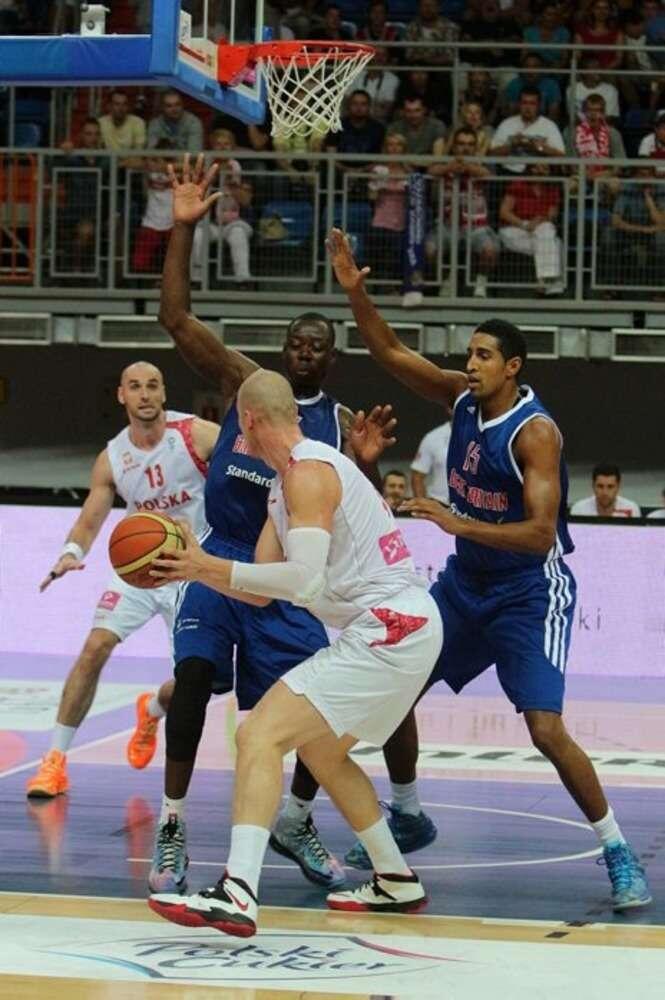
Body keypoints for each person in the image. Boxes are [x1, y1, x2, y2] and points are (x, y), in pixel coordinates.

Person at [327, 228, 651, 912]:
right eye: (469, 353)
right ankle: (408, 813)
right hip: (464, 585)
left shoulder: (535, 433)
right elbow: (390, 353)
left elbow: (538, 535)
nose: (469, 364)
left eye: (482, 356)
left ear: (513, 367)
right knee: (395, 687)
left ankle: (617, 850)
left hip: (528, 590)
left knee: (544, 729)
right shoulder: (461, 400)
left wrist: (456, 522)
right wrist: (356, 294)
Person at [145, 154, 437, 896]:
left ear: (332, 359)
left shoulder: (329, 433)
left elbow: (343, 520)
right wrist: (183, 227)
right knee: (194, 676)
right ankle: (174, 824)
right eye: (296, 342)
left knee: (296, 721)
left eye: (318, 345)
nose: (305, 351)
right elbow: (175, 319)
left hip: (293, 580)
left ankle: (289, 828)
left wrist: (366, 462)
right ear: (280, 353)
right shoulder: (250, 386)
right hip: (231, 555)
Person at [148, 369, 443, 936]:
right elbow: (262, 592)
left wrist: (205, 563)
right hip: (400, 630)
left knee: (258, 735)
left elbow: (305, 581)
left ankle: (237, 890)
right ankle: (395, 877)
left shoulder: (309, 473)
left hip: (390, 627)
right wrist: (194, 568)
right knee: (322, 752)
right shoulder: (281, 489)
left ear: (248, 421)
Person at [25, 363, 219, 798]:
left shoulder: (197, 435)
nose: (144, 394)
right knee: (95, 646)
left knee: (197, 680)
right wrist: (71, 553)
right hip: (139, 569)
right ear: (121, 395)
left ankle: (152, 709)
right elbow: (90, 518)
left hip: (192, 570)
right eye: (135, 387)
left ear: (164, 392)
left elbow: (243, 467)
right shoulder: (112, 457)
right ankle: (53, 760)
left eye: (152, 386)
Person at [428, 126, 500, 298]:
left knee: (490, 250)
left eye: (470, 144)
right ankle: (445, 279)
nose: (465, 148)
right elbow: (431, 171)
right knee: (429, 250)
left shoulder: (482, 164)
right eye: (461, 144)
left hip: (476, 226)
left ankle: (481, 282)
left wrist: (467, 167)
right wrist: (449, 168)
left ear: (475, 147)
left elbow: (489, 175)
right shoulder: (446, 165)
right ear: (454, 146)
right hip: (447, 225)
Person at [498, 161, 565, 295]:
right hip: (514, 228)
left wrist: (538, 221)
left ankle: (544, 281)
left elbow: (552, 215)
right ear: (530, 169)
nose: (541, 171)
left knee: (549, 232)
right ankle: (551, 281)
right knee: (555, 243)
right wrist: (524, 224)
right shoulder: (518, 185)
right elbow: (504, 212)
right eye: (537, 168)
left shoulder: (553, 189)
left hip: (539, 228)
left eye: (545, 168)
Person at [489, 88, 565, 174]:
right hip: (509, 173)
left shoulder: (549, 126)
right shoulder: (507, 124)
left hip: (538, 174)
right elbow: (492, 153)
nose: (528, 107)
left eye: (532, 103)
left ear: (539, 106)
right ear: (519, 104)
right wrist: (512, 146)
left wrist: (540, 148)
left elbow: (561, 156)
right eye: (524, 103)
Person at [503, 52, 562, 122]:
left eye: (535, 67)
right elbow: (510, 114)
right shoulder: (514, 84)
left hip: (544, 125)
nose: (530, 70)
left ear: (542, 69)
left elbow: (553, 114)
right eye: (527, 66)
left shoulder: (551, 85)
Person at [571, 464, 642, 516]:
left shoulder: (632, 509)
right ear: (593, 486)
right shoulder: (579, 510)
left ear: (618, 487)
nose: (605, 492)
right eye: (600, 486)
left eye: (610, 487)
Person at [411, 421, 451, 502]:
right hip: (439, 502)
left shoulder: (478, 434)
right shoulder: (433, 437)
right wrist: (423, 506)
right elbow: (417, 477)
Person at [98, 89, 147, 157]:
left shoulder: (138, 122)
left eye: (124, 104)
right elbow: (97, 151)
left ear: (128, 107)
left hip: (131, 163)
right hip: (107, 162)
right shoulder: (101, 123)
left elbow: (139, 153)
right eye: (117, 104)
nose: (121, 108)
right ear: (109, 106)